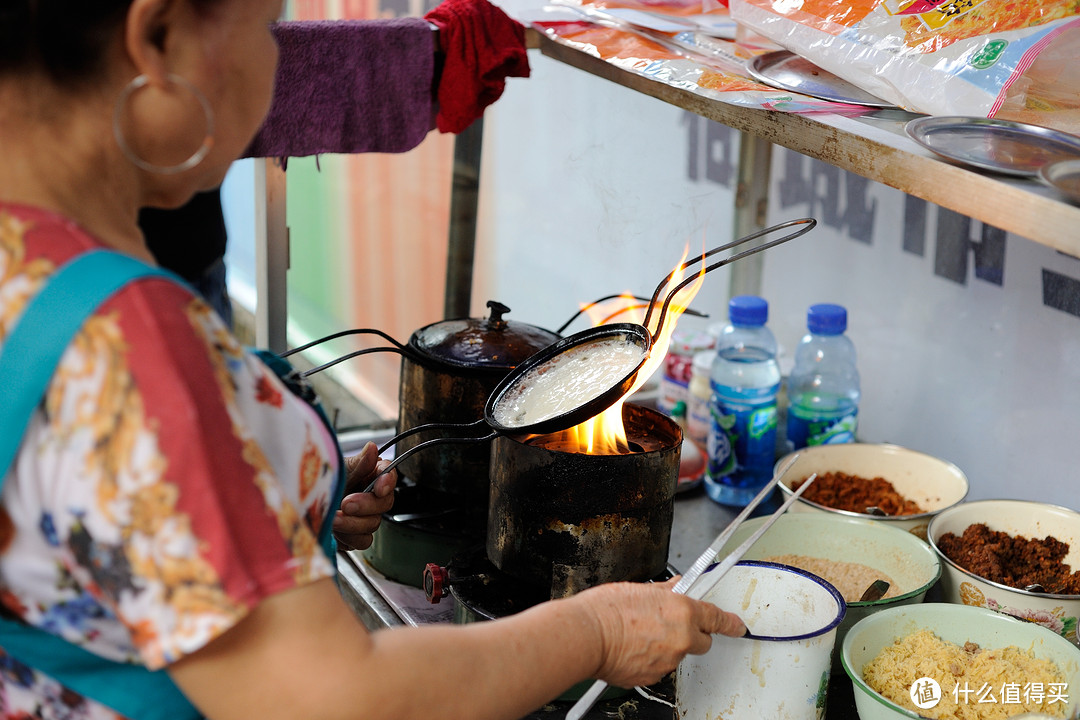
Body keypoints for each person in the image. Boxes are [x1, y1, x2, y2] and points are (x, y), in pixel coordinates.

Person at [0, 1, 748, 718]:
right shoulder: (130, 343)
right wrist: (601, 631)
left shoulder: (29, 260)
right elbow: (328, 700)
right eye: (267, 25)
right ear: (156, 37)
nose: (279, 59)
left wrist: (287, 510)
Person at [141, 4, 526, 327]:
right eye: (262, 34)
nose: (278, 61)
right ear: (148, 46)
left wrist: (438, 43)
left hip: (192, 265)